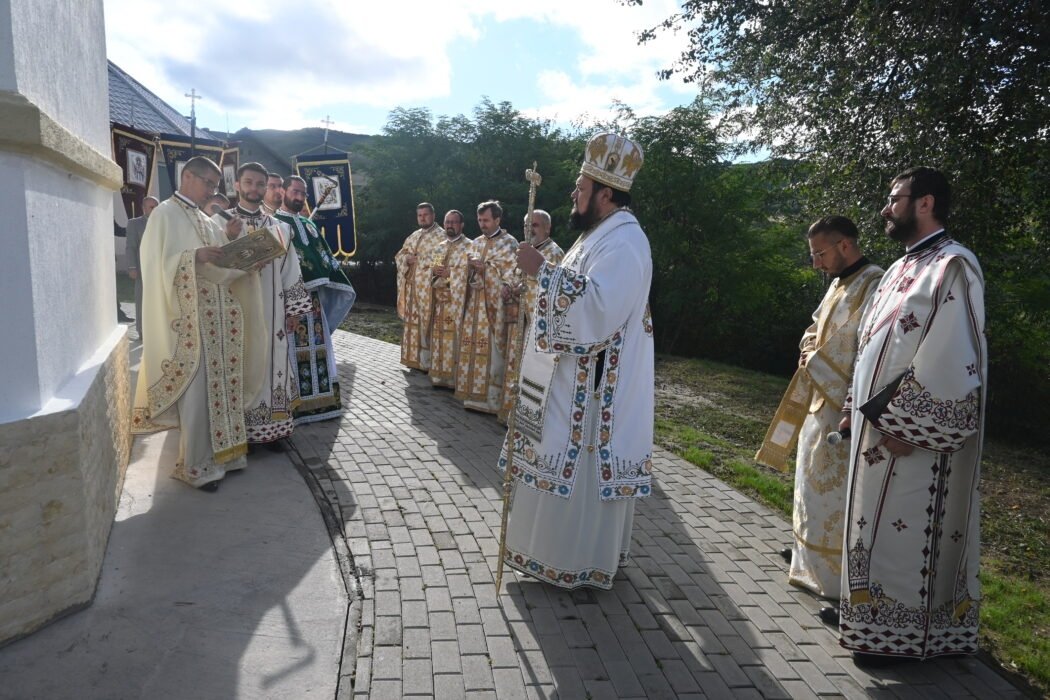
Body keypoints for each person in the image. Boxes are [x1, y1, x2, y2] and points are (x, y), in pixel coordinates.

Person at [838, 167, 986, 665]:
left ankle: (905, 639)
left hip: (912, 436)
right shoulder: (903, 267)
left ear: (925, 203)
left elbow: (952, 351)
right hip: (875, 427)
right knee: (870, 528)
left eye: (893, 198)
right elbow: (874, 347)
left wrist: (910, 425)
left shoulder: (952, 265)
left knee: (906, 532)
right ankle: (871, 625)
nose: (885, 207)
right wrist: (849, 408)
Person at [500, 133, 653, 590]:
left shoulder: (625, 242)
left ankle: (573, 560)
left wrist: (543, 273)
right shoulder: (598, 236)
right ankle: (544, 551)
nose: (574, 193)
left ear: (605, 194)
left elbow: (600, 310)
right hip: (568, 378)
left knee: (576, 471)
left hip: (593, 392)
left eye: (581, 187)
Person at [755, 216, 882, 622]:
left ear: (844, 245)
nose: (815, 264)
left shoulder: (874, 282)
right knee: (810, 487)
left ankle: (834, 579)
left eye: (820, 254)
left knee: (835, 495)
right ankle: (808, 557)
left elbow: (866, 343)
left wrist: (820, 362)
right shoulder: (838, 282)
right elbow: (817, 327)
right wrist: (809, 348)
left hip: (843, 404)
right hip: (818, 401)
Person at [131, 156, 262, 491]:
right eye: (208, 183)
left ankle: (227, 456)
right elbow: (154, 263)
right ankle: (197, 466)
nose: (211, 192)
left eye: (215, 186)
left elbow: (219, 257)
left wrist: (230, 237)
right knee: (199, 392)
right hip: (191, 322)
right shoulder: (164, 213)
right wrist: (192, 258)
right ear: (188, 176)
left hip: (220, 320)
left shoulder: (204, 218)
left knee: (224, 386)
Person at [215, 162, 311, 448]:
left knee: (273, 363)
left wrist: (294, 311)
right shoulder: (220, 223)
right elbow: (213, 265)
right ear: (237, 185)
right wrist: (228, 238)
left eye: (261, 184)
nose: (254, 189)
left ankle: (275, 428)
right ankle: (239, 431)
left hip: (273, 310)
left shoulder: (280, 228)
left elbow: (290, 269)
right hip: (236, 310)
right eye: (249, 183)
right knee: (241, 363)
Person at [275, 176, 357, 424]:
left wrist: (332, 278)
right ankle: (295, 407)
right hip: (289, 303)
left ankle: (321, 404)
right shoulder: (275, 224)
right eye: (295, 192)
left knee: (318, 350)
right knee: (291, 353)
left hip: (314, 303)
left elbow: (324, 258)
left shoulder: (309, 226)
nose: (299, 197)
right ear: (283, 191)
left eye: (303, 193)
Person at [497, 209, 565, 423]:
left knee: (531, 372)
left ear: (547, 228)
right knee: (514, 368)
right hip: (520, 321)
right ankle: (510, 414)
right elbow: (511, 276)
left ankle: (527, 418)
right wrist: (507, 287)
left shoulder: (555, 253)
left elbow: (555, 290)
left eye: (534, 225)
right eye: (527, 225)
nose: (529, 230)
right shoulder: (522, 249)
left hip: (537, 325)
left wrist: (522, 290)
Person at [454, 201, 519, 413]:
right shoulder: (476, 243)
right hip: (474, 305)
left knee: (492, 350)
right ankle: (471, 397)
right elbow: (462, 273)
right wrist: (470, 270)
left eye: (486, 220)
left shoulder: (509, 244)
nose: (482, 224)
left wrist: (487, 270)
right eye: (480, 220)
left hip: (493, 308)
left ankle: (491, 402)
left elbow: (513, 277)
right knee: (470, 346)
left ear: (497, 220)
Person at [395, 203, 444, 370]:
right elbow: (401, 254)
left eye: (426, 214)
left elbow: (439, 263)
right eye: (420, 215)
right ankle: (412, 358)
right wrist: (406, 259)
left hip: (427, 290)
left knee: (426, 323)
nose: (422, 218)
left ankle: (426, 362)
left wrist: (420, 260)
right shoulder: (414, 236)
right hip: (410, 288)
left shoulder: (441, 237)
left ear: (433, 215)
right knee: (411, 324)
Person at [426, 210, 472, 389]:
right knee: (439, 340)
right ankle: (439, 377)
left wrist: (451, 274)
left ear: (461, 225)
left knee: (455, 341)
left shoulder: (470, 246)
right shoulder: (439, 246)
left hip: (457, 304)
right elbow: (434, 270)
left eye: (454, 222)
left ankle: (454, 379)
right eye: (447, 222)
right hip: (440, 302)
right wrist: (434, 271)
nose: (450, 225)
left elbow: (469, 274)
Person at [124, 195, 160, 338]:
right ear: (143, 208)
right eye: (151, 207)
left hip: (161, 269)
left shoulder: (164, 222)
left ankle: (158, 330)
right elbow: (130, 247)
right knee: (142, 300)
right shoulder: (135, 224)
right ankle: (142, 331)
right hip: (143, 269)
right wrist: (132, 267)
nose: (155, 209)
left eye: (157, 206)